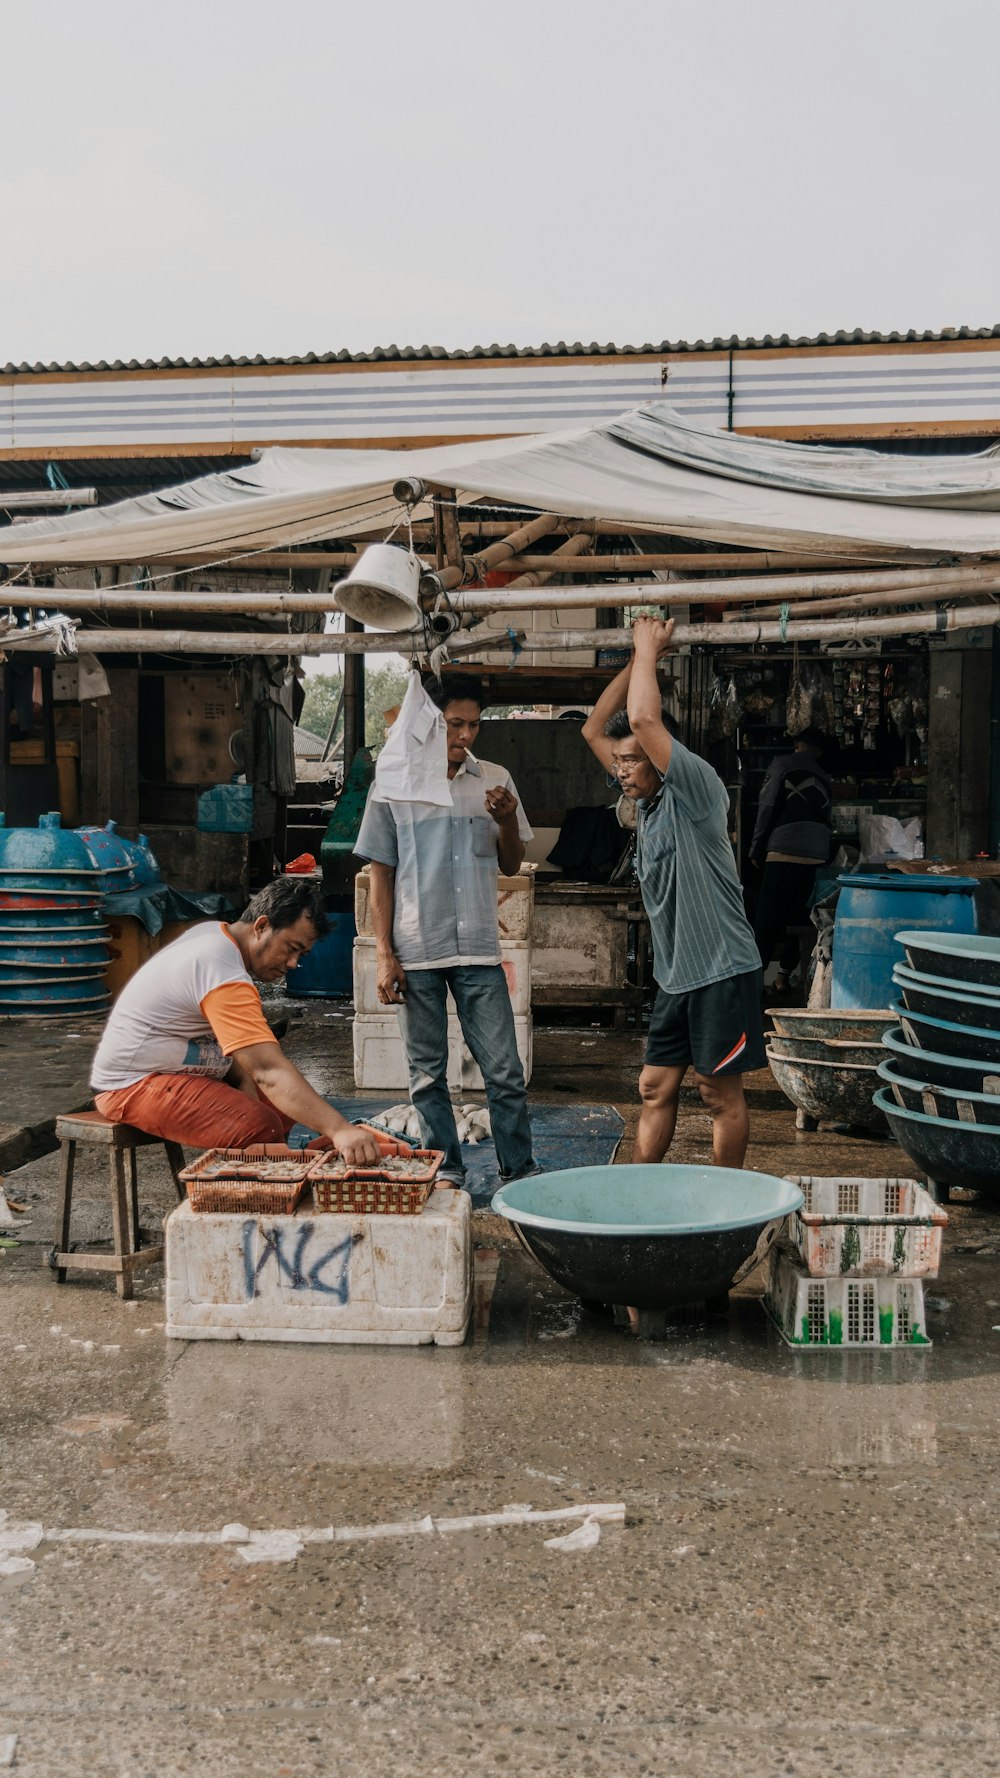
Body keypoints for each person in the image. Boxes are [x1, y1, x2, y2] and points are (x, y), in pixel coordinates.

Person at [582, 617, 765, 1169]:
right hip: (675, 978)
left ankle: (725, 1201)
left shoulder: (698, 791)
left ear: (664, 758)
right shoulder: (643, 803)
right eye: (619, 763)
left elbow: (643, 717)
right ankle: (640, 1189)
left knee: (717, 1094)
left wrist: (647, 651)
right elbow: (596, 731)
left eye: (632, 760)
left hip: (722, 969)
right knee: (654, 1088)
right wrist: (635, 663)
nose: (621, 771)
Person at [355, 673, 538, 1190]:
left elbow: (510, 863)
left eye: (474, 725)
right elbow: (380, 875)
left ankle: (519, 1173)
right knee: (427, 1076)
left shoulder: (495, 779)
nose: (465, 735)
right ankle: (446, 1169)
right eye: (454, 723)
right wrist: (385, 954)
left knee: (504, 1073)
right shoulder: (392, 784)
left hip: (479, 948)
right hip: (417, 950)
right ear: (429, 722)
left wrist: (505, 822)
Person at [91, 877, 386, 1164]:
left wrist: (249, 1088)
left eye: (302, 954)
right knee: (259, 1125)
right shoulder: (221, 970)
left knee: (285, 1112)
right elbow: (267, 1069)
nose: (294, 964)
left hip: (179, 1072)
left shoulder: (217, 936)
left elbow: (247, 1063)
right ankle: (249, 1205)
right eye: (292, 948)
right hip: (131, 1083)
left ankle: (272, 1191)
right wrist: (340, 1129)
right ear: (261, 926)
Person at [750, 726, 833, 992]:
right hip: (816, 853)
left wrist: (756, 847)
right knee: (803, 920)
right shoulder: (824, 775)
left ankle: (754, 981)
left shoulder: (781, 764)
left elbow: (767, 807)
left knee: (767, 918)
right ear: (820, 751)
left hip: (783, 849)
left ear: (797, 742)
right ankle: (783, 977)